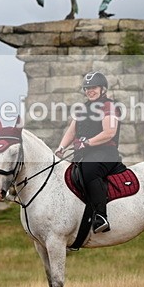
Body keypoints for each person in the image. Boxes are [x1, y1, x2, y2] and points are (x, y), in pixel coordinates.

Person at [55, 71, 123, 233]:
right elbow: (72, 132)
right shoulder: (82, 109)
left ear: (103, 89)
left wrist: (87, 143)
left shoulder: (110, 107)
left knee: (88, 171)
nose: (89, 91)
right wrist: (61, 148)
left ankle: (101, 217)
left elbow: (109, 133)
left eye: (93, 87)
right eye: (87, 88)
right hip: (85, 153)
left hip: (106, 153)